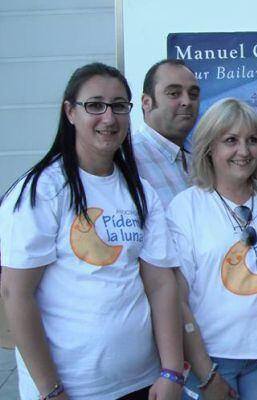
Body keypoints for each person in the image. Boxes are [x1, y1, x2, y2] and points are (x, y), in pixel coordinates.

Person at [0, 62, 183, 400]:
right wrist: (50, 390)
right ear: (70, 112)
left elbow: (160, 284)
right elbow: (16, 293)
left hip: (141, 382)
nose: (109, 118)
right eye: (94, 105)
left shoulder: (140, 192)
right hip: (72, 389)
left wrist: (171, 370)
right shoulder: (42, 190)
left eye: (118, 106)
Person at [166, 98, 257, 400]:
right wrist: (206, 375)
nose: (244, 151)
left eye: (252, 140)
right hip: (209, 360)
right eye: (230, 141)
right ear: (210, 147)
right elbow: (177, 301)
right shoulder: (186, 207)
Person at [133, 59, 201, 207]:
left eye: (193, 94)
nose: (187, 101)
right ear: (146, 102)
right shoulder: (129, 159)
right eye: (174, 93)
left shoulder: (203, 155)